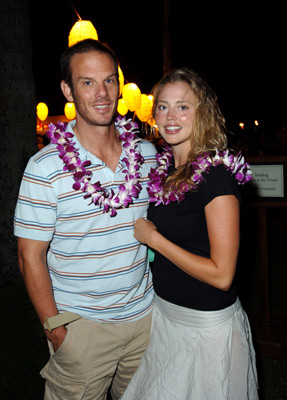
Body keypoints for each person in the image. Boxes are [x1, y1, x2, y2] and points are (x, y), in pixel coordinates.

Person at [14, 39, 157, 400]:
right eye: (87, 82)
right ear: (68, 89)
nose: (102, 93)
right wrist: (57, 331)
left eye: (109, 80)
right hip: (82, 329)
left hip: (145, 320)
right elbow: (30, 255)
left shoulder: (147, 154)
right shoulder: (45, 167)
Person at [121, 68, 258, 399]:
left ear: (203, 112)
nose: (171, 116)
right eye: (164, 106)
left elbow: (222, 275)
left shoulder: (216, 178)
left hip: (206, 330)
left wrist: (155, 240)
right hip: (165, 318)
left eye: (183, 106)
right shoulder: (165, 171)